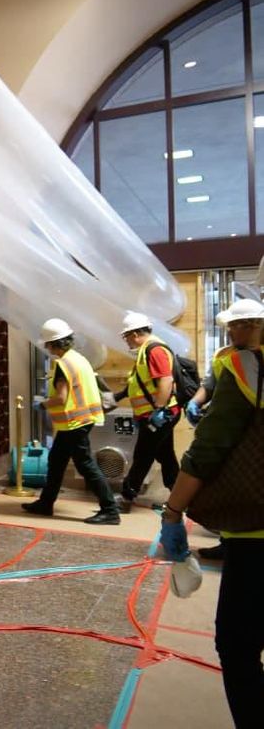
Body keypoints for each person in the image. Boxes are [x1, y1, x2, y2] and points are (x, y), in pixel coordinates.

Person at [158, 302, 264, 729]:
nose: (238, 329)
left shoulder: (244, 366)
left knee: (237, 645)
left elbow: (209, 450)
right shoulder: (231, 361)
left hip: (257, 533)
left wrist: (172, 512)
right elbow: (206, 387)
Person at [184, 298, 264, 560]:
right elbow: (209, 385)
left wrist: (174, 510)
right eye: (229, 326)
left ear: (254, 325)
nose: (230, 332)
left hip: (248, 436)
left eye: (236, 326)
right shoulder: (224, 356)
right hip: (227, 425)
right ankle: (226, 540)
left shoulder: (255, 359)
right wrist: (195, 402)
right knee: (227, 484)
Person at [22, 318, 120, 524]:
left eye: (47, 344)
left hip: (75, 423)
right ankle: (46, 503)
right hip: (80, 421)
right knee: (56, 461)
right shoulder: (79, 359)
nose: (47, 348)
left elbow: (61, 397)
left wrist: (43, 404)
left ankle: (110, 510)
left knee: (85, 465)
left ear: (52, 343)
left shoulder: (63, 364)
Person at [113, 311, 181, 513]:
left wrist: (158, 410)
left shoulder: (154, 350)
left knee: (143, 456)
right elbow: (140, 383)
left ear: (134, 334)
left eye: (126, 336)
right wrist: (118, 397)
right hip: (156, 415)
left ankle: (126, 497)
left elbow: (166, 380)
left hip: (160, 416)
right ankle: (181, 498)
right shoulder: (146, 351)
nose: (126, 341)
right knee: (166, 457)